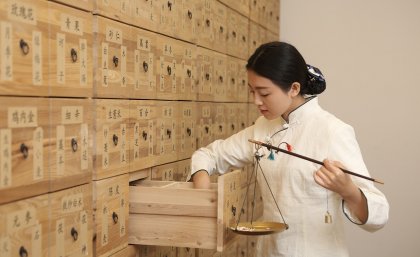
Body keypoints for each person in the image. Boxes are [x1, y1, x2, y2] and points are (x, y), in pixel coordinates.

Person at [189, 41, 389, 257]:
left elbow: (379, 215)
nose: (256, 101)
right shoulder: (263, 128)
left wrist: (348, 190)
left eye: (264, 94)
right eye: (252, 91)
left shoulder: (333, 131)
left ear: (294, 88)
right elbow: (209, 156)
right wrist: (203, 193)